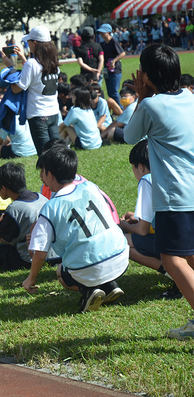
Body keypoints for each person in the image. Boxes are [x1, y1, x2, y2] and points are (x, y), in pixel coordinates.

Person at [124, 44, 194, 339]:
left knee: (171, 259)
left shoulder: (151, 106)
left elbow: (129, 136)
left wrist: (141, 97)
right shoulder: (189, 97)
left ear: (146, 76)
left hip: (174, 196)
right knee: (190, 259)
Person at [26, 145, 129, 313]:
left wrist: (30, 279)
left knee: (61, 272)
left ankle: (88, 291)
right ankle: (110, 286)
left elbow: (40, 253)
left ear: (49, 175)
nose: (40, 177)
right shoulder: (91, 186)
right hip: (121, 255)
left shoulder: (50, 207)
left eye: (42, 172)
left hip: (86, 268)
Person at [118, 140, 181, 299]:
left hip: (172, 245)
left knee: (121, 242)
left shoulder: (147, 180)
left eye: (132, 167)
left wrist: (123, 224)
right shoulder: (172, 173)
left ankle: (176, 273)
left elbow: (142, 230)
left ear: (140, 166)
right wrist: (137, 217)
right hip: (186, 240)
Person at [0, 162, 48, 270]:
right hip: (47, 254)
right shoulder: (41, 197)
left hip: (24, 258)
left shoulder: (14, 209)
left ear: (3, 188)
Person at [11, 26, 60, 155]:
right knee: (58, 153)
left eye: (29, 41)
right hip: (54, 113)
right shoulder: (53, 62)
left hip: (38, 115)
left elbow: (17, 89)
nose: (28, 44)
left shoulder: (31, 64)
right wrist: (23, 58)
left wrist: (11, 69)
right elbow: (35, 72)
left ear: (35, 43)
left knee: (45, 156)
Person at [97, 24, 126, 107]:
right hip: (107, 70)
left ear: (109, 32)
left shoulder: (113, 41)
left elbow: (122, 53)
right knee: (109, 92)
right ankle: (115, 109)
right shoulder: (104, 44)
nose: (102, 34)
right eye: (100, 32)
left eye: (103, 32)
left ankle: (121, 109)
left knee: (114, 91)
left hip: (115, 70)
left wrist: (114, 61)